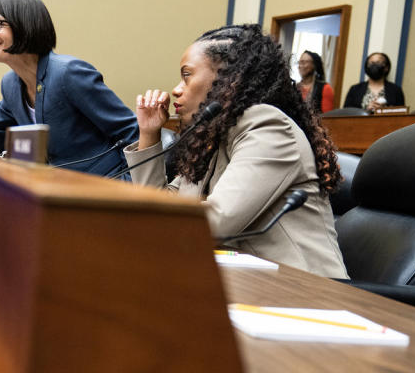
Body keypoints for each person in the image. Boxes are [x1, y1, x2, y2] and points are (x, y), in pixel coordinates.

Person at [126, 24, 347, 278]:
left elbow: (215, 223)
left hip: (306, 293)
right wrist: (149, 133)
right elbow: (158, 208)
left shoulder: (268, 126)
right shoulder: (211, 139)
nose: (176, 89)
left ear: (228, 78)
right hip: (241, 283)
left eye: (186, 75)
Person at [0, 0, 137, 176]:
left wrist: (128, 184)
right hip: (59, 190)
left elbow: (130, 131)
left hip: (108, 186)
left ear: (24, 25)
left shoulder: (68, 72)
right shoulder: (10, 84)